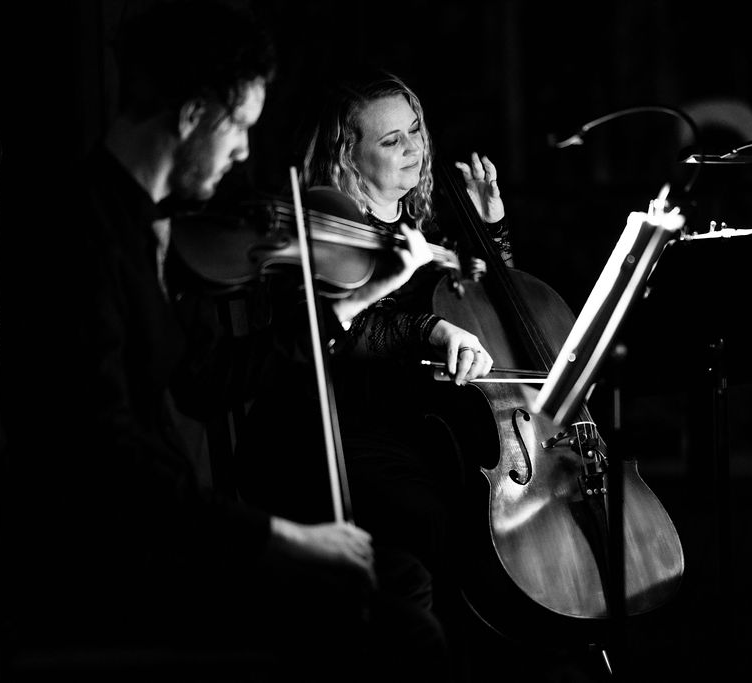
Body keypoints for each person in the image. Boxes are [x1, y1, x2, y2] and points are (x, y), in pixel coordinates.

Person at [0, 4, 446, 680]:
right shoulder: (77, 235)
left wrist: (353, 302)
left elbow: (207, 381)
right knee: (404, 628)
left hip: (166, 533)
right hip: (113, 561)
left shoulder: (146, 224)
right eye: (238, 127)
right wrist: (281, 535)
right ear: (192, 116)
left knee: (400, 580)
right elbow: (107, 458)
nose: (242, 152)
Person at [233, 68, 516, 679]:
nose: (414, 148)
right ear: (347, 156)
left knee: (484, 514)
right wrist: (429, 330)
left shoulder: (425, 227)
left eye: (415, 130)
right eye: (391, 140)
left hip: (418, 432)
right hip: (337, 437)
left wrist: (490, 229)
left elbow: (491, 309)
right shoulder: (324, 227)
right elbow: (347, 331)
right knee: (437, 520)